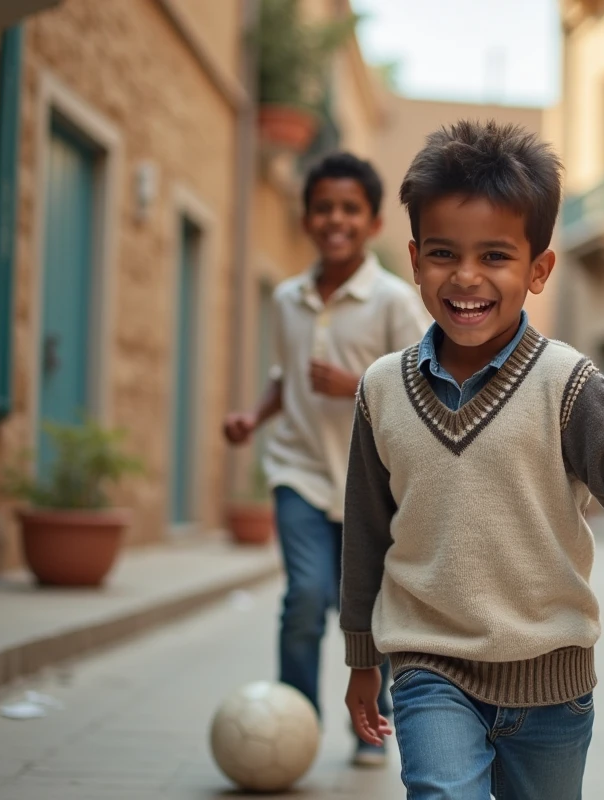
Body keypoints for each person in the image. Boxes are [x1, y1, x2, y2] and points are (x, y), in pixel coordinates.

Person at [338, 120, 604, 799]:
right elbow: (367, 531)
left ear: (538, 269)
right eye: (442, 254)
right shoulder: (380, 389)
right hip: (430, 664)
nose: (465, 277)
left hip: (554, 682)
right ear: (414, 258)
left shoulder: (566, 383)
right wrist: (361, 658)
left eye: (494, 256)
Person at [221, 152, 431, 768]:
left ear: (370, 224)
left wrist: (357, 386)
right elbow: (285, 376)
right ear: (307, 217)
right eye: (323, 208)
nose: (335, 219)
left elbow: (423, 377)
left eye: (349, 209)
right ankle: (290, 725)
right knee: (307, 596)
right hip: (299, 472)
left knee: (364, 610)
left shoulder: (392, 300)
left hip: (372, 485)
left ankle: (374, 722)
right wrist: (253, 419)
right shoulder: (286, 298)